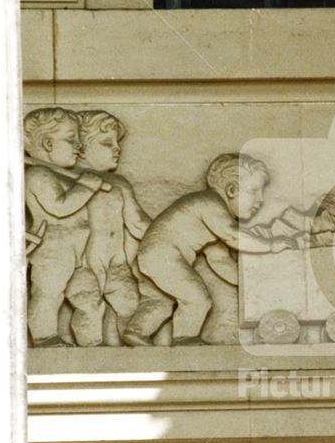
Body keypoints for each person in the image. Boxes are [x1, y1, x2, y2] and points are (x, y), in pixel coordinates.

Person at [121, 153, 295, 346]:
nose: (260, 200)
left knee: (159, 301)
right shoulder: (210, 203)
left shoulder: (212, 219)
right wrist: (270, 245)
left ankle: (136, 331)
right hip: (163, 256)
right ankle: (184, 339)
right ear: (231, 189)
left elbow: (219, 260)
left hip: (150, 258)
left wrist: (249, 285)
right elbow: (233, 236)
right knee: (198, 300)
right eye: (254, 191)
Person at [65, 110, 152, 346]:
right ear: (79, 148)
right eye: (106, 143)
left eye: (117, 143)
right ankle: (92, 352)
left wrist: (169, 240)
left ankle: (134, 347)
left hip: (117, 262)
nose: (117, 149)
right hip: (82, 263)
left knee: (130, 303)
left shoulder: (118, 183)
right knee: (88, 305)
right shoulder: (67, 182)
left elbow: (138, 223)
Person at [23, 107, 102, 347]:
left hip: (78, 252)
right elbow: (59, 207)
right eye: (71, 140)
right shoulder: (38, 175)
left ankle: (91, 342)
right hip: (53, 249)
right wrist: (86, 187)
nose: (79, 146)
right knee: (48, 294)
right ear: (47, 143)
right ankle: (45, 337)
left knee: (89, 298)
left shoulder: (61, 175)